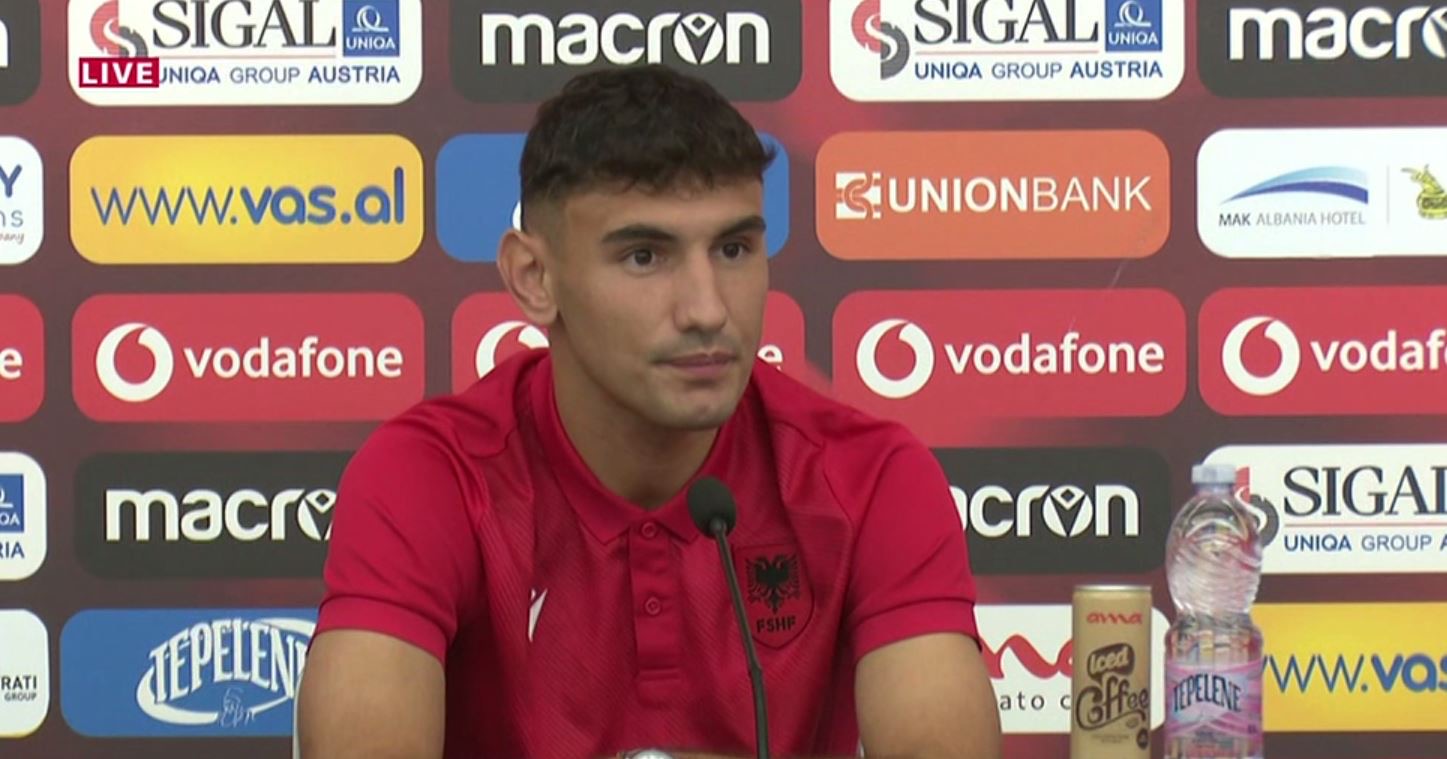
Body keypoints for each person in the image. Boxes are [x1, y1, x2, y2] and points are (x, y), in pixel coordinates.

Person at [297, 64, 1002, 759]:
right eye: (644, 256)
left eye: (733, 249)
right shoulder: (430, 475)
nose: (707, 309)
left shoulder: (869, 477)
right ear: (535, 278)